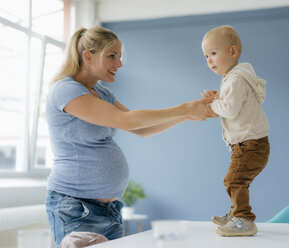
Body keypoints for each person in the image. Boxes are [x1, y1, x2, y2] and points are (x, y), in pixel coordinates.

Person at [45, 26, 217, 247]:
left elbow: (140, 129)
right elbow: (126, 120)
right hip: (76, 207)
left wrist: (187, 115)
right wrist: (184, 107)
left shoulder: (102, 93)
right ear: (88, 56)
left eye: (119, 56)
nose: (119, 64)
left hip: (110, 209)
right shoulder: (65, 90)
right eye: (112, 56)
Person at [201, 25, 270, 236]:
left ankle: (244, 219)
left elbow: (230, 110)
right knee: (237, 180)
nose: (209, 61)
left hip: (250, 145)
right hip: (250, 144)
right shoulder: (237, 76)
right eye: (206, 56)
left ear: (233, 52)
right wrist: (219, 97)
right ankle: (236, 213)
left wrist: (213, 104)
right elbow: (234, 103)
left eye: (213, 53)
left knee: (234, 180)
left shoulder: (236, 78)